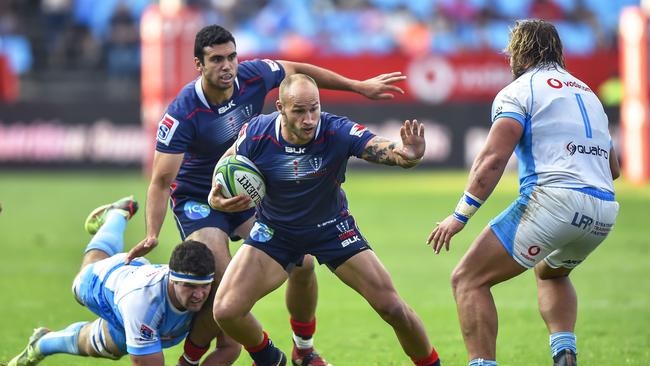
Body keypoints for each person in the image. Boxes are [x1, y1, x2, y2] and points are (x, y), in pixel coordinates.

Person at [127, 24, 408, 366]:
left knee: (303, 263)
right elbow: (161, 180)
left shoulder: (252, 75)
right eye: (216, 60)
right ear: (199, 65)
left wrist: (357, 87)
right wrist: (153, 233)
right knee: (220, 276)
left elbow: (298, 72)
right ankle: (249, 356)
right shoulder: (183, 111)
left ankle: (304, 349)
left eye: (231, 56)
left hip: (252, 190)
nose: (227, 66)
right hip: (201, 199)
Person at [208, 74, 441, 366]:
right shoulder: (257, 133)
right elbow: (226, 163)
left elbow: (380, 147)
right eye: (299, 110)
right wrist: (214, 198)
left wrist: (407, 154)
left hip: (331, 229)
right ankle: (272, 359)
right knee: (226, 310)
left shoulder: (336, 130)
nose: (309, 119)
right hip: (276, 232)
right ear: (280, 107)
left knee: (392, 307)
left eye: (314, 108)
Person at [426, 19, 620, 366]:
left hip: (554, 201)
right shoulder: (588, 94)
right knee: (550, 271)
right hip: (604, 210)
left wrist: (459, 216)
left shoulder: (519, 90)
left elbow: (491, 160)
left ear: (517, 53)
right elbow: (614, 169)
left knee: (468, 280)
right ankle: (564, 355)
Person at [7, 196, 217, 366]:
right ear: (173, 281)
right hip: (110, 281)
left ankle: (41, 343)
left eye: (203, 286)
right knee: (83, 278)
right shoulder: (142, 304)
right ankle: (117, 214)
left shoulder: (215, 293)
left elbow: (231, 346)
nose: (199, 294)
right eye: (190, 287)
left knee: (107, 347)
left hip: (137, 293)